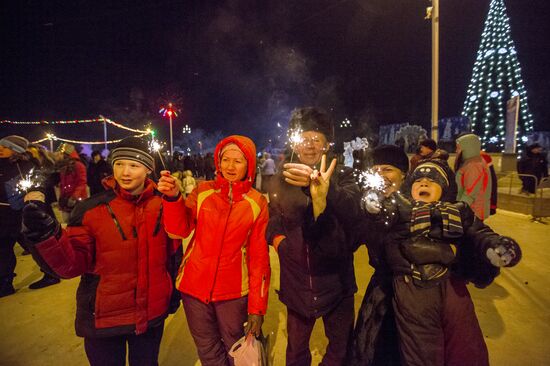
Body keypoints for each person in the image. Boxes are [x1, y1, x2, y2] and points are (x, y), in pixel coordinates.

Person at [21, 136, 179, 366]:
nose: (125, 172)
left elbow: (173, 256)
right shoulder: (91, 209)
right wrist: (46, 234)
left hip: (151, 315)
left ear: (147, 169)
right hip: (103, 319)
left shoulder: (163, 205)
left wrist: (173, 296)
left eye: (133, 165)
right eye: (119, 164)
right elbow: (71, 264)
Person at [367, 158, 521, 366]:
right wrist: (372, 205)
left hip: (453, 287)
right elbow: (379, 224)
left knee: (464, 344)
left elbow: (481, 234)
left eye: (432, 180)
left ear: (445, 188)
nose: (424, 183)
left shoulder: (460, 211)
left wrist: (496, 247)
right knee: (422, 347)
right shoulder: (401, 210)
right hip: (414, 288)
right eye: (418, 180)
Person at [158, 135, 271, 366]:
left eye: (237, 161)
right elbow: (178, 230)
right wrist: (173, 199)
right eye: (225, 159)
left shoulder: (256, 202)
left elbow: (259, 257)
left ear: (248, 164)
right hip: (194, 288)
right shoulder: (203, 192)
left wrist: (257, 308)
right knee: (207, 348)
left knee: (236, 348)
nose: (230, 166)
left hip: (233, 292)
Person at [267, 107, 360, 365]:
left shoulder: (344, 176)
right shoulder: (281, 179)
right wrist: (280, 243)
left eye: (316, 139)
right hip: (297, 281)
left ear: (327, 145)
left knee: (340, 349)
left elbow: (354, 214)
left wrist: (328, 192)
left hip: (337, 281)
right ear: (295, 144)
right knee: (296, 351)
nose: (310, 145)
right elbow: (272, 218)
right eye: (304, 139)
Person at [347, 144, 409, 366]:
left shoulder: (419, 204)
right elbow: (351, 240)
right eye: (377, 169)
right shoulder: (370, 205)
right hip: (381, 291)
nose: (382, 175)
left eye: (388, 169)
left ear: (404, 174)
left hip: (415, 294)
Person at [0, 136, 35, 297]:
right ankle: (5, 282)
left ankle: (52, 273)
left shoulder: (24, 166)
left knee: (35, 246)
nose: (1, 149)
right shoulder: (3, 164)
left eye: (5, 147)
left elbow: (30, 188)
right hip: (4, 215)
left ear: (16, 150)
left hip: (19, 214)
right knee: (5, 248)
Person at [454, 133, 491, 220]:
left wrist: (457, 210)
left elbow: (470, 193)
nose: (456, 151)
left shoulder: (474, 165)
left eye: (458, 148)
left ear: (467, 148)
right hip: (471, 210)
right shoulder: (472, 162)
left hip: (473, 211)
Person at [54, 142, 89, 222]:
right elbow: (63, 185)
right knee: (67, 223)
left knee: (77, 223)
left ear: (66, 154)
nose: (59, 156)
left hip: (77, 202)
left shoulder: (79, 165)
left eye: (61, 154)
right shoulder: (64, 167)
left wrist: (74, 197)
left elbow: (82, 183)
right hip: (66, 201)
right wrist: (61, 199)